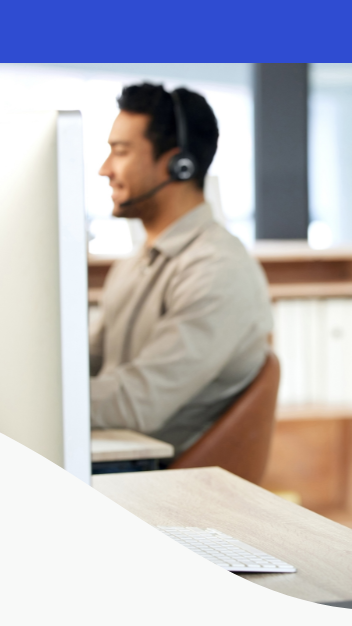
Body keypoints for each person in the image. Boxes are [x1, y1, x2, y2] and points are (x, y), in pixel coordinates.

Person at [89, 83, 272, 464]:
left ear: (178, 165)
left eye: (120, 152)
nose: (104, 169)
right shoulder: (134, 263)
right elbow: (88, 362)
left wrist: (31, 398)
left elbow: (139, 404)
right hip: (111, 452)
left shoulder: (217, 270)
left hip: (154, 475)